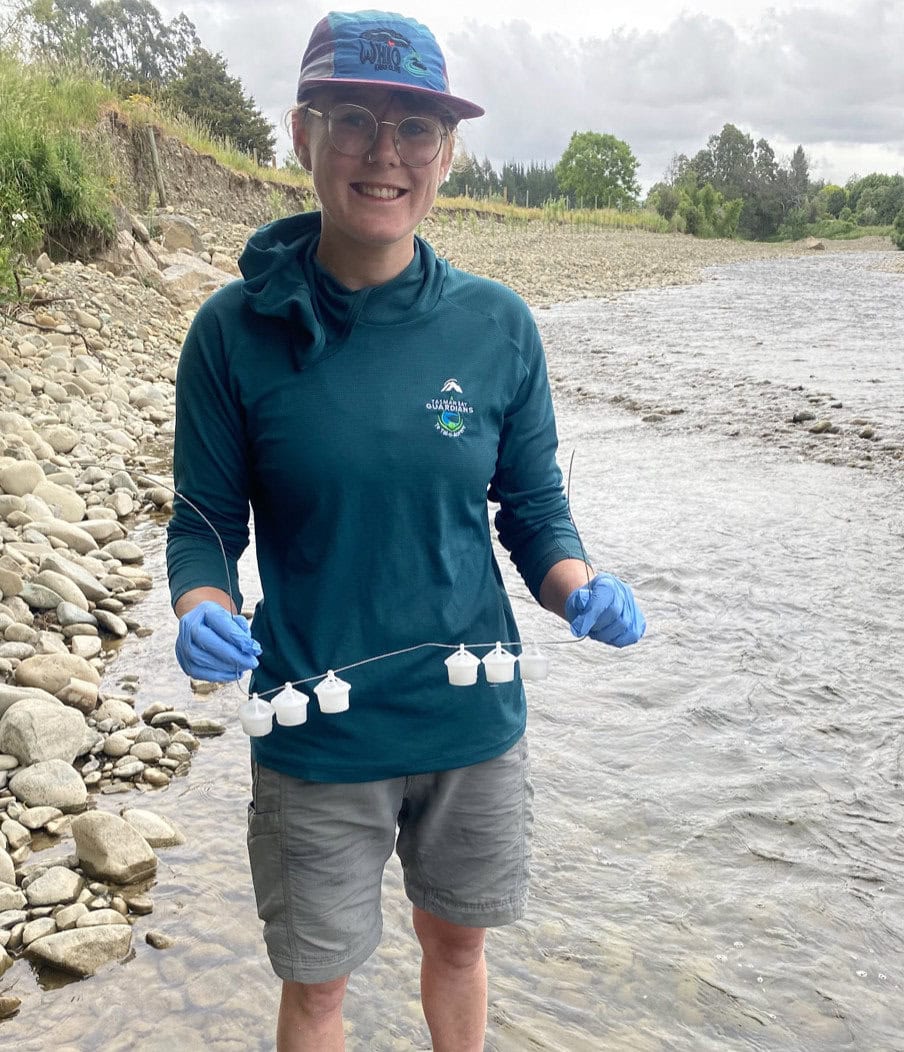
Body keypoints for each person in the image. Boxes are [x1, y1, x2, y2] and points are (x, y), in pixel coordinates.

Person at [166, 10, 645, 1051]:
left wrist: (578, 585)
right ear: (302, 134)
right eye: (353, 119)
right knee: (318, 989)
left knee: (459, 948)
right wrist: (202, 604)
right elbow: (202, 523)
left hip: (470, 723)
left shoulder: (498, 325)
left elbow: (532, 511)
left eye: (416, 127)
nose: (385, 153)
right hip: (315, 727)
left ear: (447, 152)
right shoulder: (230, 333)